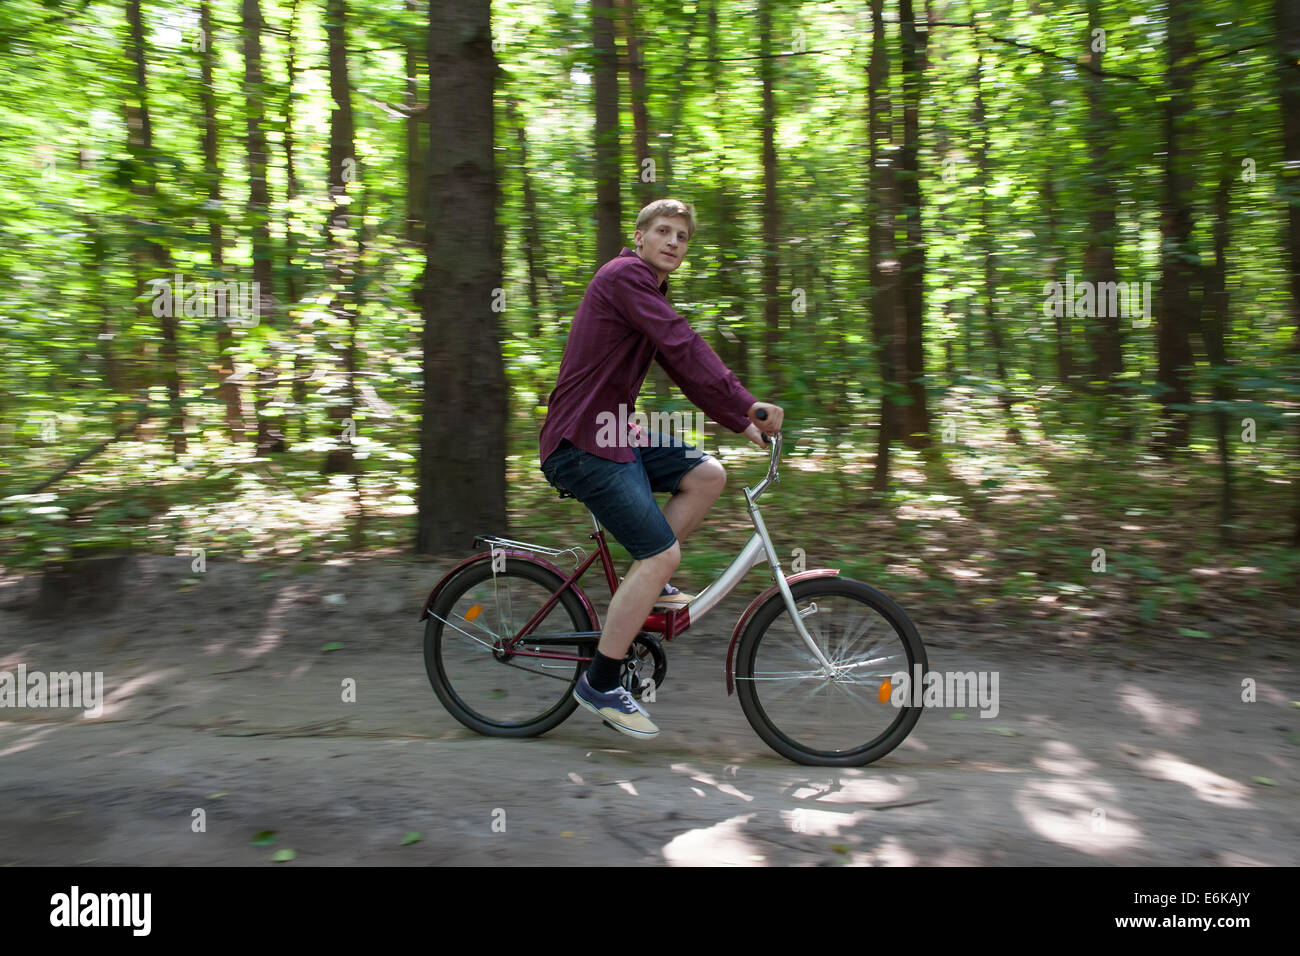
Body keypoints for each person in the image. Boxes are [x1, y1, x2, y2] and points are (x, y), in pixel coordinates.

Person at [538, 198, 783, 739]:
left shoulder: (646, 291)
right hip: (582, 440)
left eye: (682, 237)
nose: (673, 242)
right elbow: (684, 343)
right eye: (663, 232)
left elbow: (679, 361)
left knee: (707, 474)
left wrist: (740, 424)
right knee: (661, 552)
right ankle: (599, 683)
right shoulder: (625, 276)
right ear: (641, 237)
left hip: (611, 433)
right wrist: (747, 403)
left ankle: (648, 585)